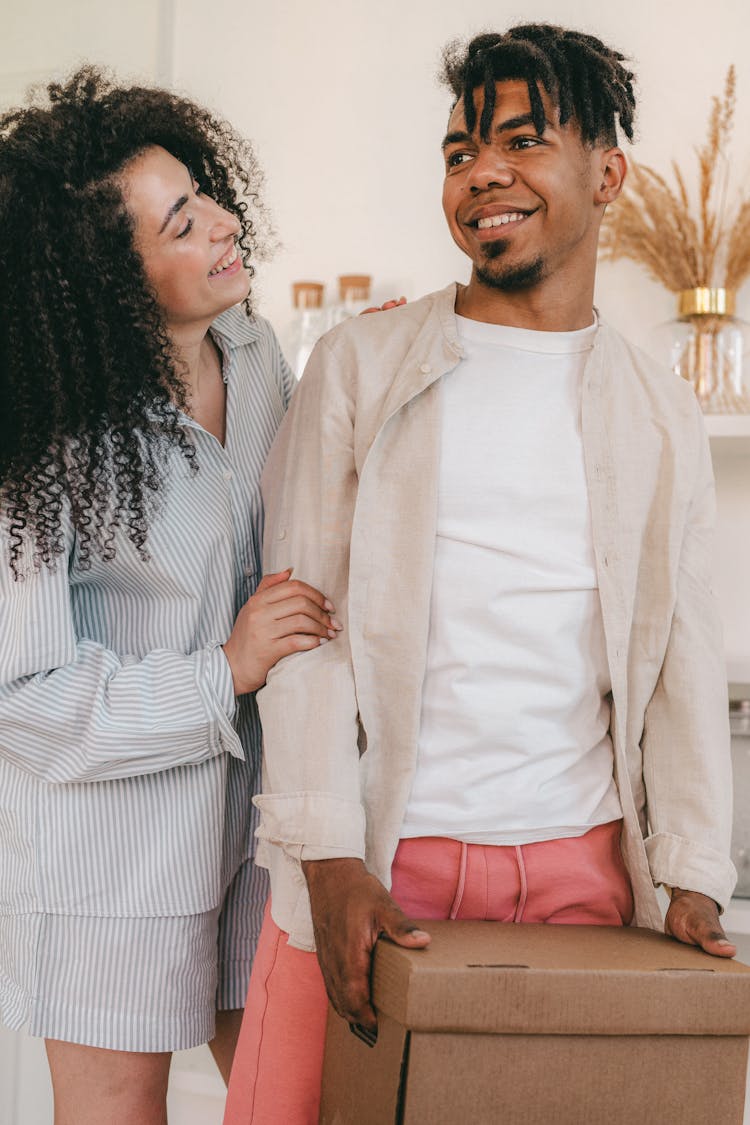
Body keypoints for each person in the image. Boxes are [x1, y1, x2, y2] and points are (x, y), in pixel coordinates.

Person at [223, 23, 737, 1125]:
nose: (482, 173)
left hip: (584, 880)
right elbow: (303, 621)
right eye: (460, 152)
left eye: (521, 140)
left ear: (608, 174)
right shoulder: (364, 365)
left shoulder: (659, 411)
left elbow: (680, 660)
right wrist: (325, 857)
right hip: (376, 862)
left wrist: (694, 871)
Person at [0, 67, 345, 1124]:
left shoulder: (256, 349)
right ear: (109, 277)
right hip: (113, 861)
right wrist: (225, 670)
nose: (226, 227)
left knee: (298, 1102)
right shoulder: (42, 436)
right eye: (185, 224)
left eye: (206, 196)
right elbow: (23, 695)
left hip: (254, 835)